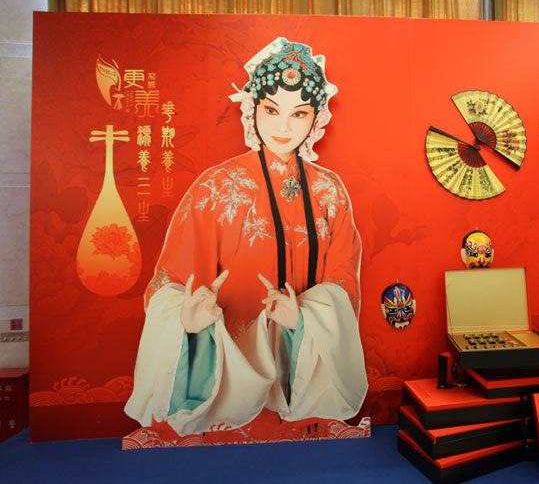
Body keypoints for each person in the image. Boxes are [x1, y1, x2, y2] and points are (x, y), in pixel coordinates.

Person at [124, 38, 367, 437]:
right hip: (227, 367)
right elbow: (172, 281)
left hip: (302, 373)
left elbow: (344, 285)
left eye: (299, 113)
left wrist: (304, 320)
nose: (283, 127)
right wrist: (187, 321)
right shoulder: (216, 187)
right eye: (272, 110)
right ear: (252, 108)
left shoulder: (329, 192)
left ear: (316, 118)